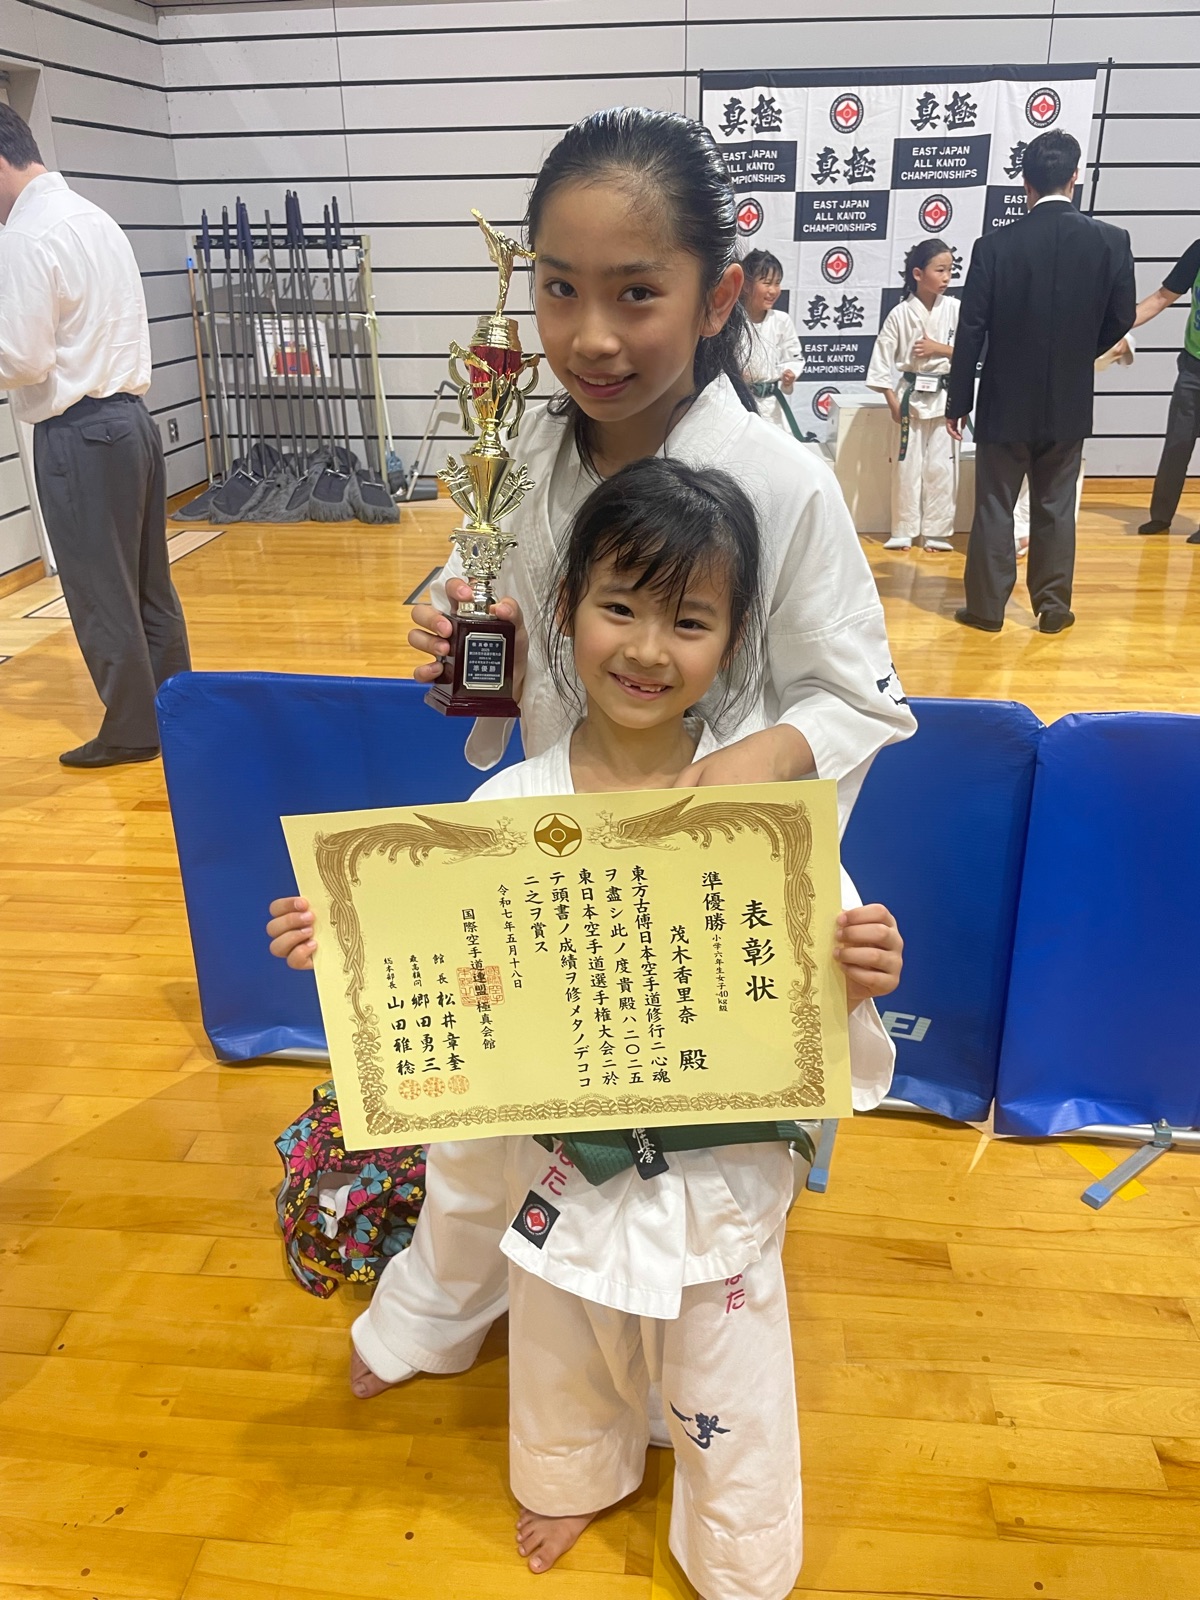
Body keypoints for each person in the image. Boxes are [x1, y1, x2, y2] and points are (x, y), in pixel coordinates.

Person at [268, 107, 915, 1403]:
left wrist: (763, 754)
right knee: (487, 1119)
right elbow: (519, 637)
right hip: (551, 842)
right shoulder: (522, 455)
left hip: (688, 876)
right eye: (560, 289)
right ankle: (444, 1301)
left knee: (680, 1155)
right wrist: (472, 651)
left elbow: (862, 696)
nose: (592, 336)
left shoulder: (780, 481)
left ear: (717, 297)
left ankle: (672, 1362)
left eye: (636, 293)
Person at [480, 458, 900, 1590]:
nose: (648, 648)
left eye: (690, 621)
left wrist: (858, 973)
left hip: (719, 1175)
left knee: (727, 1378)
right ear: (566, 606)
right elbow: (468, 984)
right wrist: (358, 949)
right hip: (566, 1156)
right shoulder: (507, 811)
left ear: (736, 638)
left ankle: (735, 1553)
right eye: (620, 606)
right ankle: (574, 1471)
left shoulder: (760, 816)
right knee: (564, 1333)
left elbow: (812, 993)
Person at [0, 105, 190, 767]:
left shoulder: (26, 235)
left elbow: (23, 359)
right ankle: (176, 715)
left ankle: (133, 731)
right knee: (149, 585)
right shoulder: (94, 217)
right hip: (133, 422)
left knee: (99, 590)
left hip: (78, 434)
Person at [946, 128, 1136, 634]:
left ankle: (986, 609)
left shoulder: (993, 247)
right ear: (1075, 177)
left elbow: (971, 329)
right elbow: (1121, 318)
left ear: (1025, 183)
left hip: (1004, 398)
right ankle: (1053, 607)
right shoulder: (1112, 241)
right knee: (1056, 505)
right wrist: (1077, 355)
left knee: (994, 505)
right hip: (1069, 397)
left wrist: (958, 400)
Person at [866, 239, 960, 553]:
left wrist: (939, 349)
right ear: (918, 274)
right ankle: (904, 529)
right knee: (906, 465)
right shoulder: (900, 314)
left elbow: (970, 351)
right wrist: (892, 402)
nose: (946, 277)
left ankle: (936, 531)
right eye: (940, 270)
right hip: (910, 398)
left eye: (950, 270)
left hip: (945, 397)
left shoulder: (956, 309)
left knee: (942, 466)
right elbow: (881, 361)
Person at [1013, 333, 1135, 557]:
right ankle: (1027, 533)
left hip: (1058, 389)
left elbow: (1119, 343)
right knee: (1038, 468)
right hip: (1048, 389)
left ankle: (1030, 533)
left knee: (1046, 467)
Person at [1130, 237, 1200, 543]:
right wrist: (1116, 326)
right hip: (1194, 367)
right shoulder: (1199, 250)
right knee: (1177, 444)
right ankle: (1161, 515)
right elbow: (1162, 297)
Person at [739, 248, 805, 437]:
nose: (773, 290)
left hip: (772, 407)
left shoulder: (781, 321)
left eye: (777, 283)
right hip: (738, 404)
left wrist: (789, 374)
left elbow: (793, 357)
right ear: (746, 285)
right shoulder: (732, 322)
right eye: (767, 283)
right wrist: (736, 375)